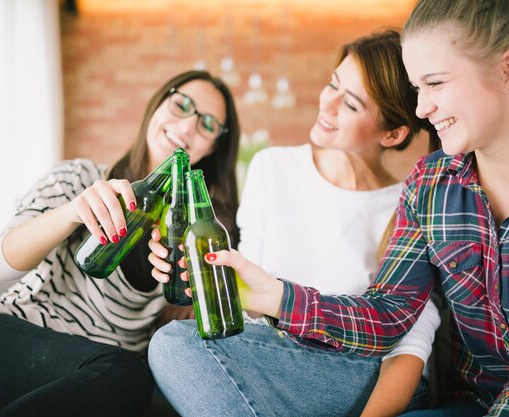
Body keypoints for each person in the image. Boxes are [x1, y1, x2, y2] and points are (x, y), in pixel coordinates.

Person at [154, 0, 509, 416]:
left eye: (436, 83)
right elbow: (388, 312)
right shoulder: (429, 183)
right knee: (175, 345)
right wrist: (271, 294)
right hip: (465, 406)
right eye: (417, 88)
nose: (423, 108)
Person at [147, 29, 441, 417]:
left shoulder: (409, 204)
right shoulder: (273, 167)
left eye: (350, 104)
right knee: (173, 349)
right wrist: (207, 276)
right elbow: (250, 308)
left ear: (394, 133)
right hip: (279, 362)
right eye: (332, 84)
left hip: (362, 376)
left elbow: (408, 350)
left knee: (173, 346)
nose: (327, 104)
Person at [0, 70, 241, 417]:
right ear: (158, 103)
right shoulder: (79, 178)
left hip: (85, 381)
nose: (188, 126)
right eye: (182, 105)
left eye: (207, 124)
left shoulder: (193, 234)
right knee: (126, 374)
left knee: (129, 376)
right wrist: (72, 211)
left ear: (213, 146)